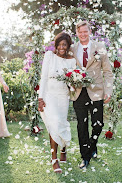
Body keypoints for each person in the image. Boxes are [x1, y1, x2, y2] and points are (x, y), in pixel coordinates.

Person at [70, 21, 113, 169]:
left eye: (85, 31)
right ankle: (85, 156)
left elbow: (107, 71)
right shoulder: (72, 49)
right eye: (80, 32)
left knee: (98, 124)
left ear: (90, 31)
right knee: (82, 125)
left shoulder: (100, 48)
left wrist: (108, 91)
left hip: (96, 91)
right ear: (77, 33)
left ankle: (92, 145)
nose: (83, 34)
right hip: (78, 92)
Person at [38, 32, 76, 173]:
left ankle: (63, 150)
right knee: (53, 124)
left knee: (61, 123)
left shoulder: (71, 61)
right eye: (59, 44)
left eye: (64, 45)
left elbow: (72, 83)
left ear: (67, 46)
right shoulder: (49, 56)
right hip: (49, 95)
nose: (61, 47)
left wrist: (74, 83)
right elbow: (44, 78)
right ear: (56, 45)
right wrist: (40, 98)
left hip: (63, 95)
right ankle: (54, 159)